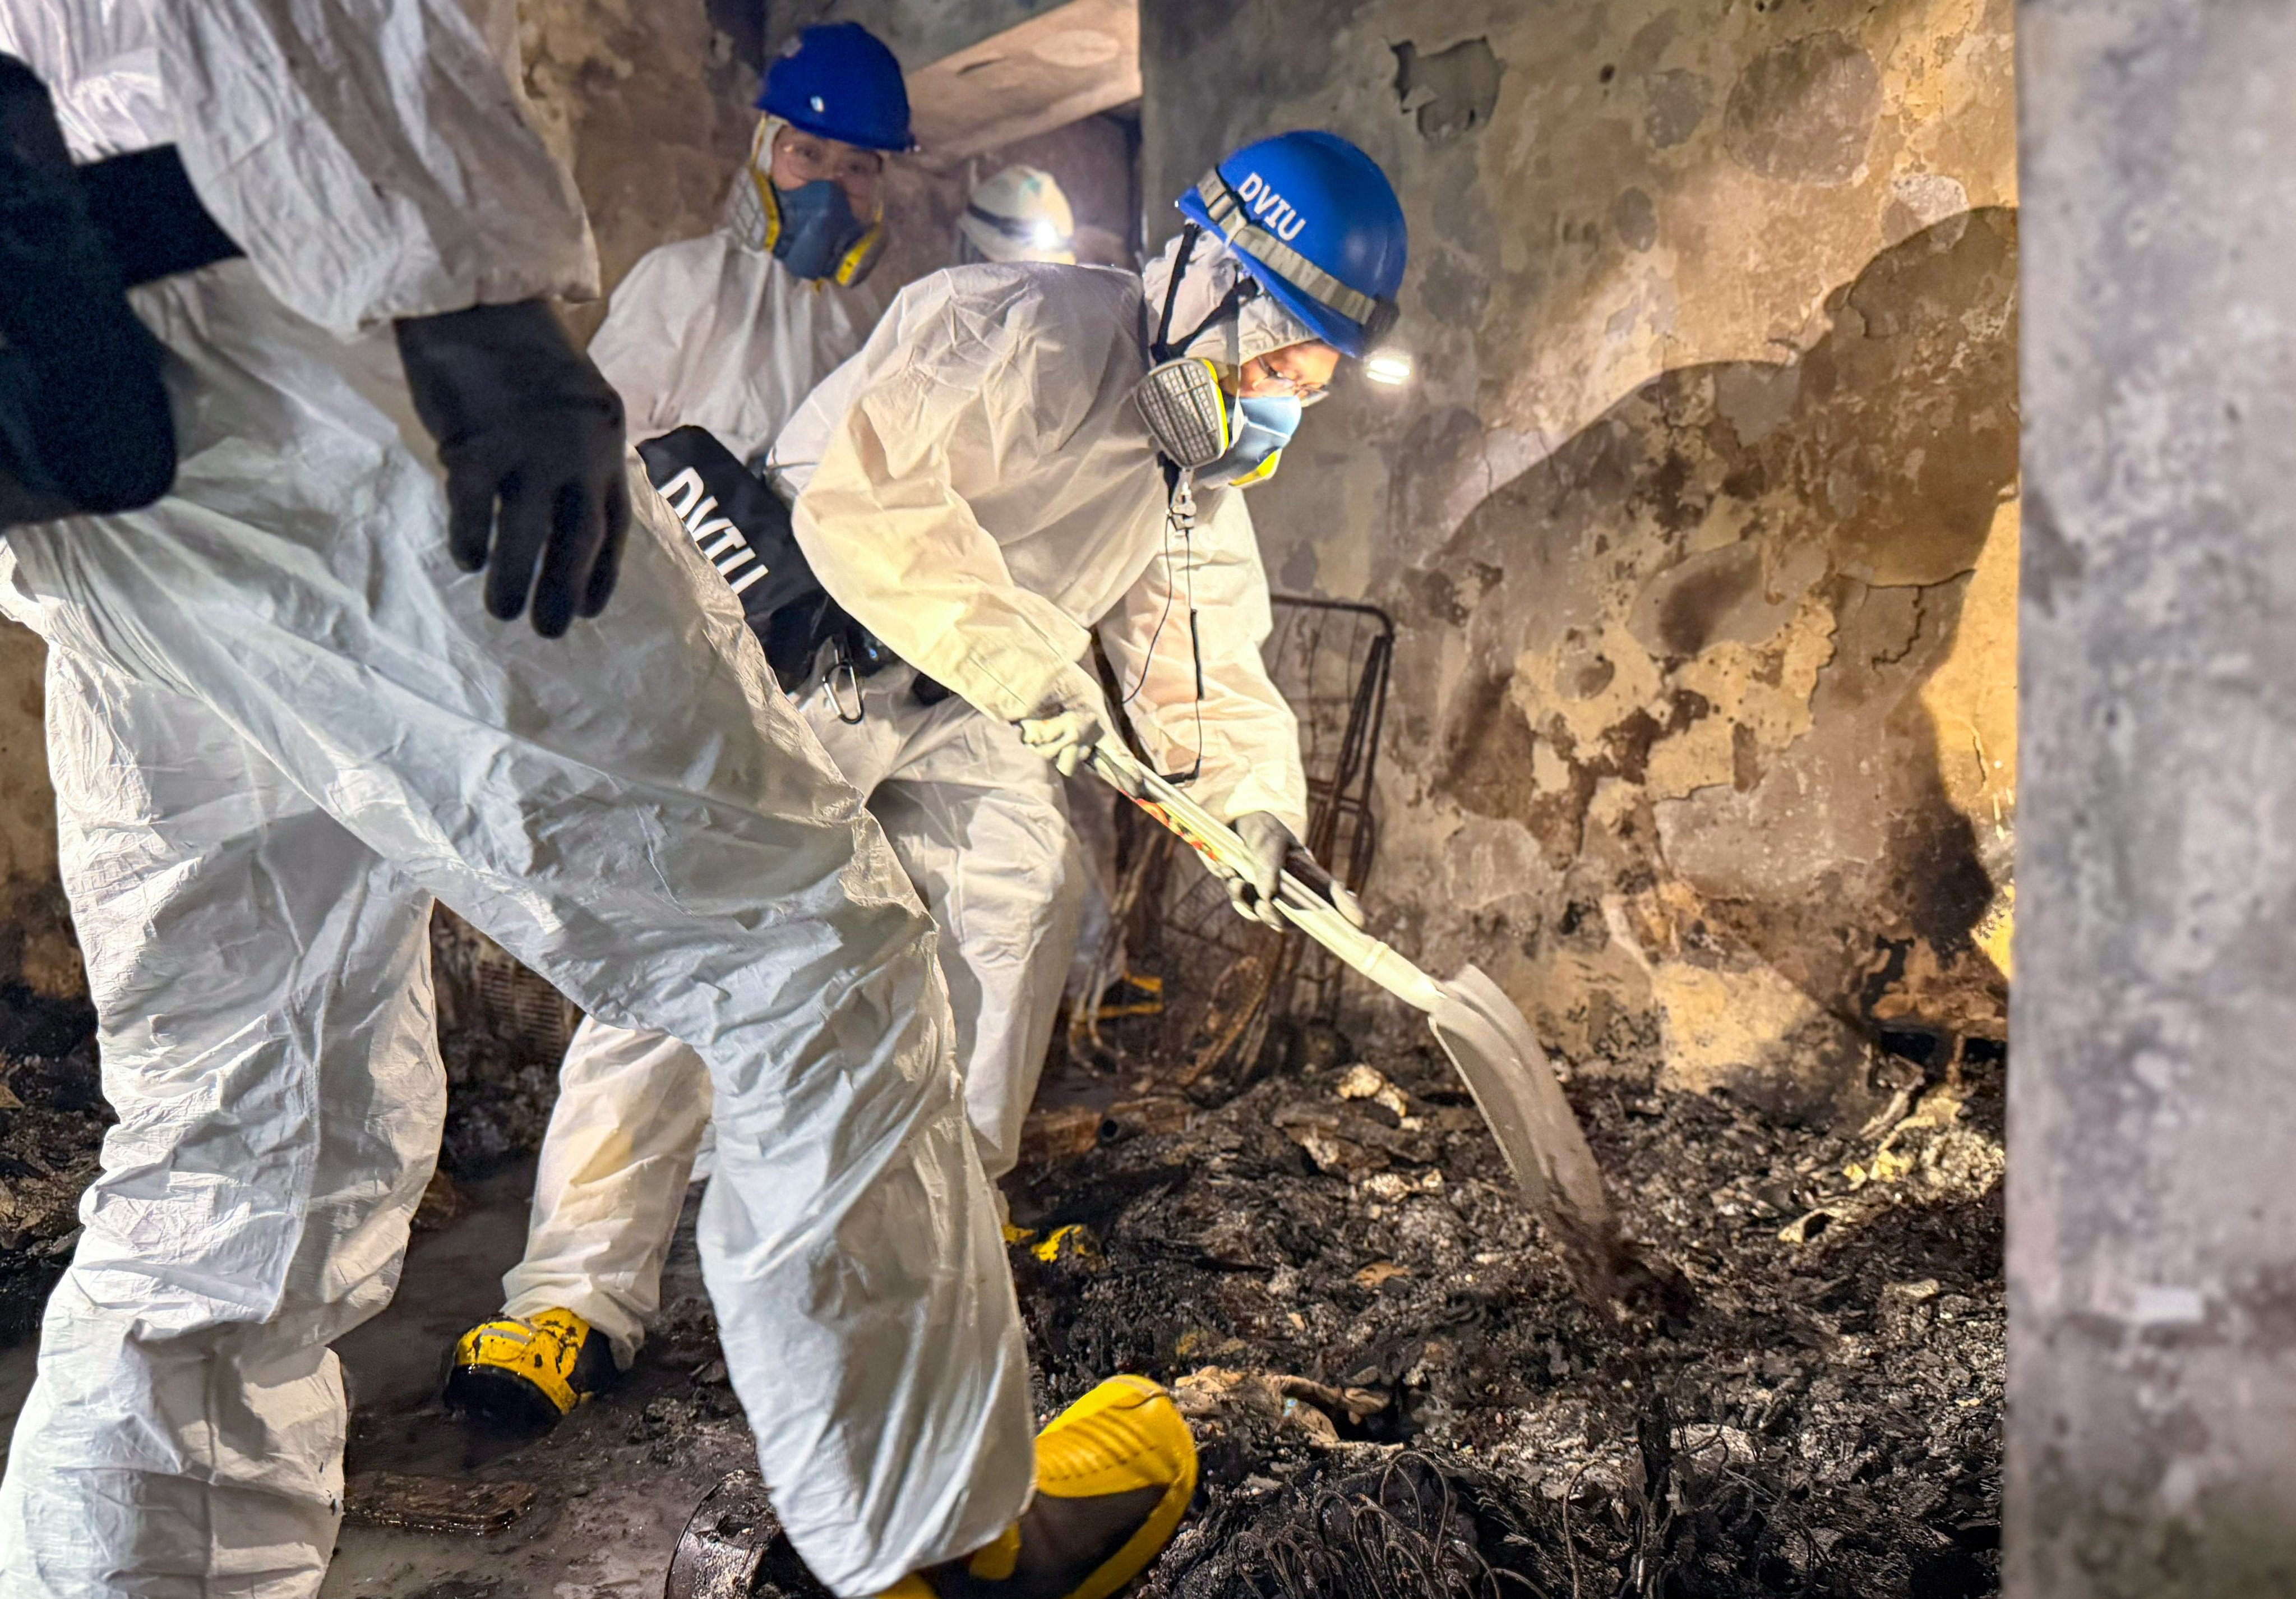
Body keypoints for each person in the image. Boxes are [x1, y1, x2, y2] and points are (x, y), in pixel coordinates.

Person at [0, 7, 1190, 1597]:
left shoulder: (890, 319)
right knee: (803, 945)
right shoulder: (747, 296)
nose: (833, 183)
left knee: (243, 1120)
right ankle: (941, 1534)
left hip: (68, 384)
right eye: (811, 150)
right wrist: (472, 305)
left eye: (863, 163)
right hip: (288, 330)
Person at [445, 125, 1408, 1474]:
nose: (1293, 389)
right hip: (813, 654)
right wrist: (1039, 679)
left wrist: (1255, 814)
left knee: (1020, 896)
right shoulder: (1010, 323)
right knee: (696, 952)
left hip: (972, 700)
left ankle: (938, 1220)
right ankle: (570, 1296)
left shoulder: (1180, 471)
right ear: (1207, 275)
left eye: (1321, 369)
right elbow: (869, 515)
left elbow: (1196, 653)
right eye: (1288, 345)